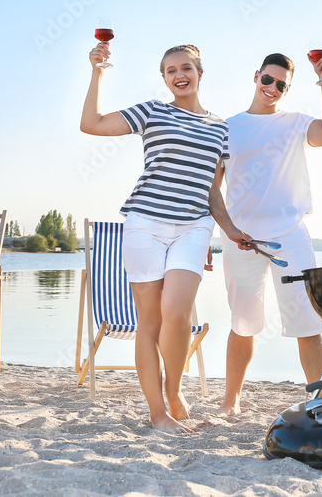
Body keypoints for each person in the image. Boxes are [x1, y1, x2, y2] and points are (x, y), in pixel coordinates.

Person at [80, 42, 251, 432]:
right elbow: (91, 124)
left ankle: (173, 391)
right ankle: (158, 414)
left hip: (194, 225)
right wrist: (98, 72)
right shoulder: (152, 111)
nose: (179, 75)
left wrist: (230, 230)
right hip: (146, 222)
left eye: (186, 68)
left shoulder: (219, 127)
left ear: (200, 74)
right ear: (164, 78)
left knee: (177, 313)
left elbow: (212, 190)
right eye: (171, 70)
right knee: (150, 321)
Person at [217, 50, 322, 416]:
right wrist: (219, 234)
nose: (272, 88)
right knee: (242, 323)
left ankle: (320, 401)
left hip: (290, 235)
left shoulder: (295, 123)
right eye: (267, 80)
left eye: (281, 84)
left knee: (306, 319)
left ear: (287, 89)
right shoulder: (227, 127)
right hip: (239, 238)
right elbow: (213, 188)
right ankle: (231, 402)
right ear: (256, 76)